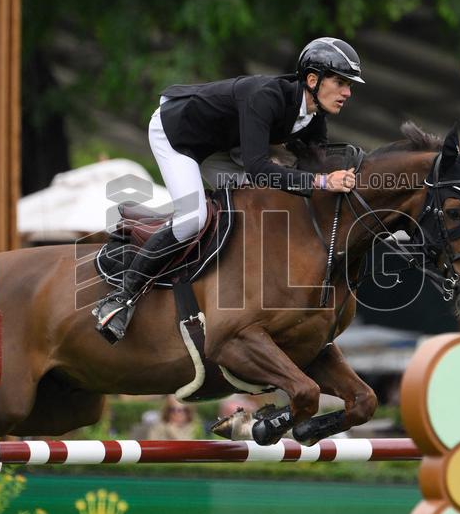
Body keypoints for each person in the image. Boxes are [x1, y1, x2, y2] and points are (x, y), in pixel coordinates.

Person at [94, 37, 364, 342]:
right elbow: (260, 169)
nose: (347, 92)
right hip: (178, 136)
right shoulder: (266, 97)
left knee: (257, 202)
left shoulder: (314, 118)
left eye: (349, 85)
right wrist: (324, 182)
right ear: (313, 80)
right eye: (341, 82)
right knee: (192, 218)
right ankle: (121, 298)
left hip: (221, 148)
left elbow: (313, 167)